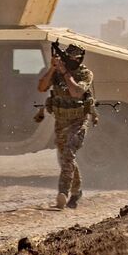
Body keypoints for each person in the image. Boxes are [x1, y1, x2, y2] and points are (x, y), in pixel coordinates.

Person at [37, 43, 93, 209]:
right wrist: (53, 69)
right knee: (66, 159)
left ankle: (63, 193)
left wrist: (65, 73)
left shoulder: (85, 74)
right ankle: (76, 191)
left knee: (68, 153)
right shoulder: (57, 72)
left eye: (77, 58)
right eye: (70, 57)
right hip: (61, 121)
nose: (73, 60)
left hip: (78, 121)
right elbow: (41, 87)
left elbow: (77, 92)